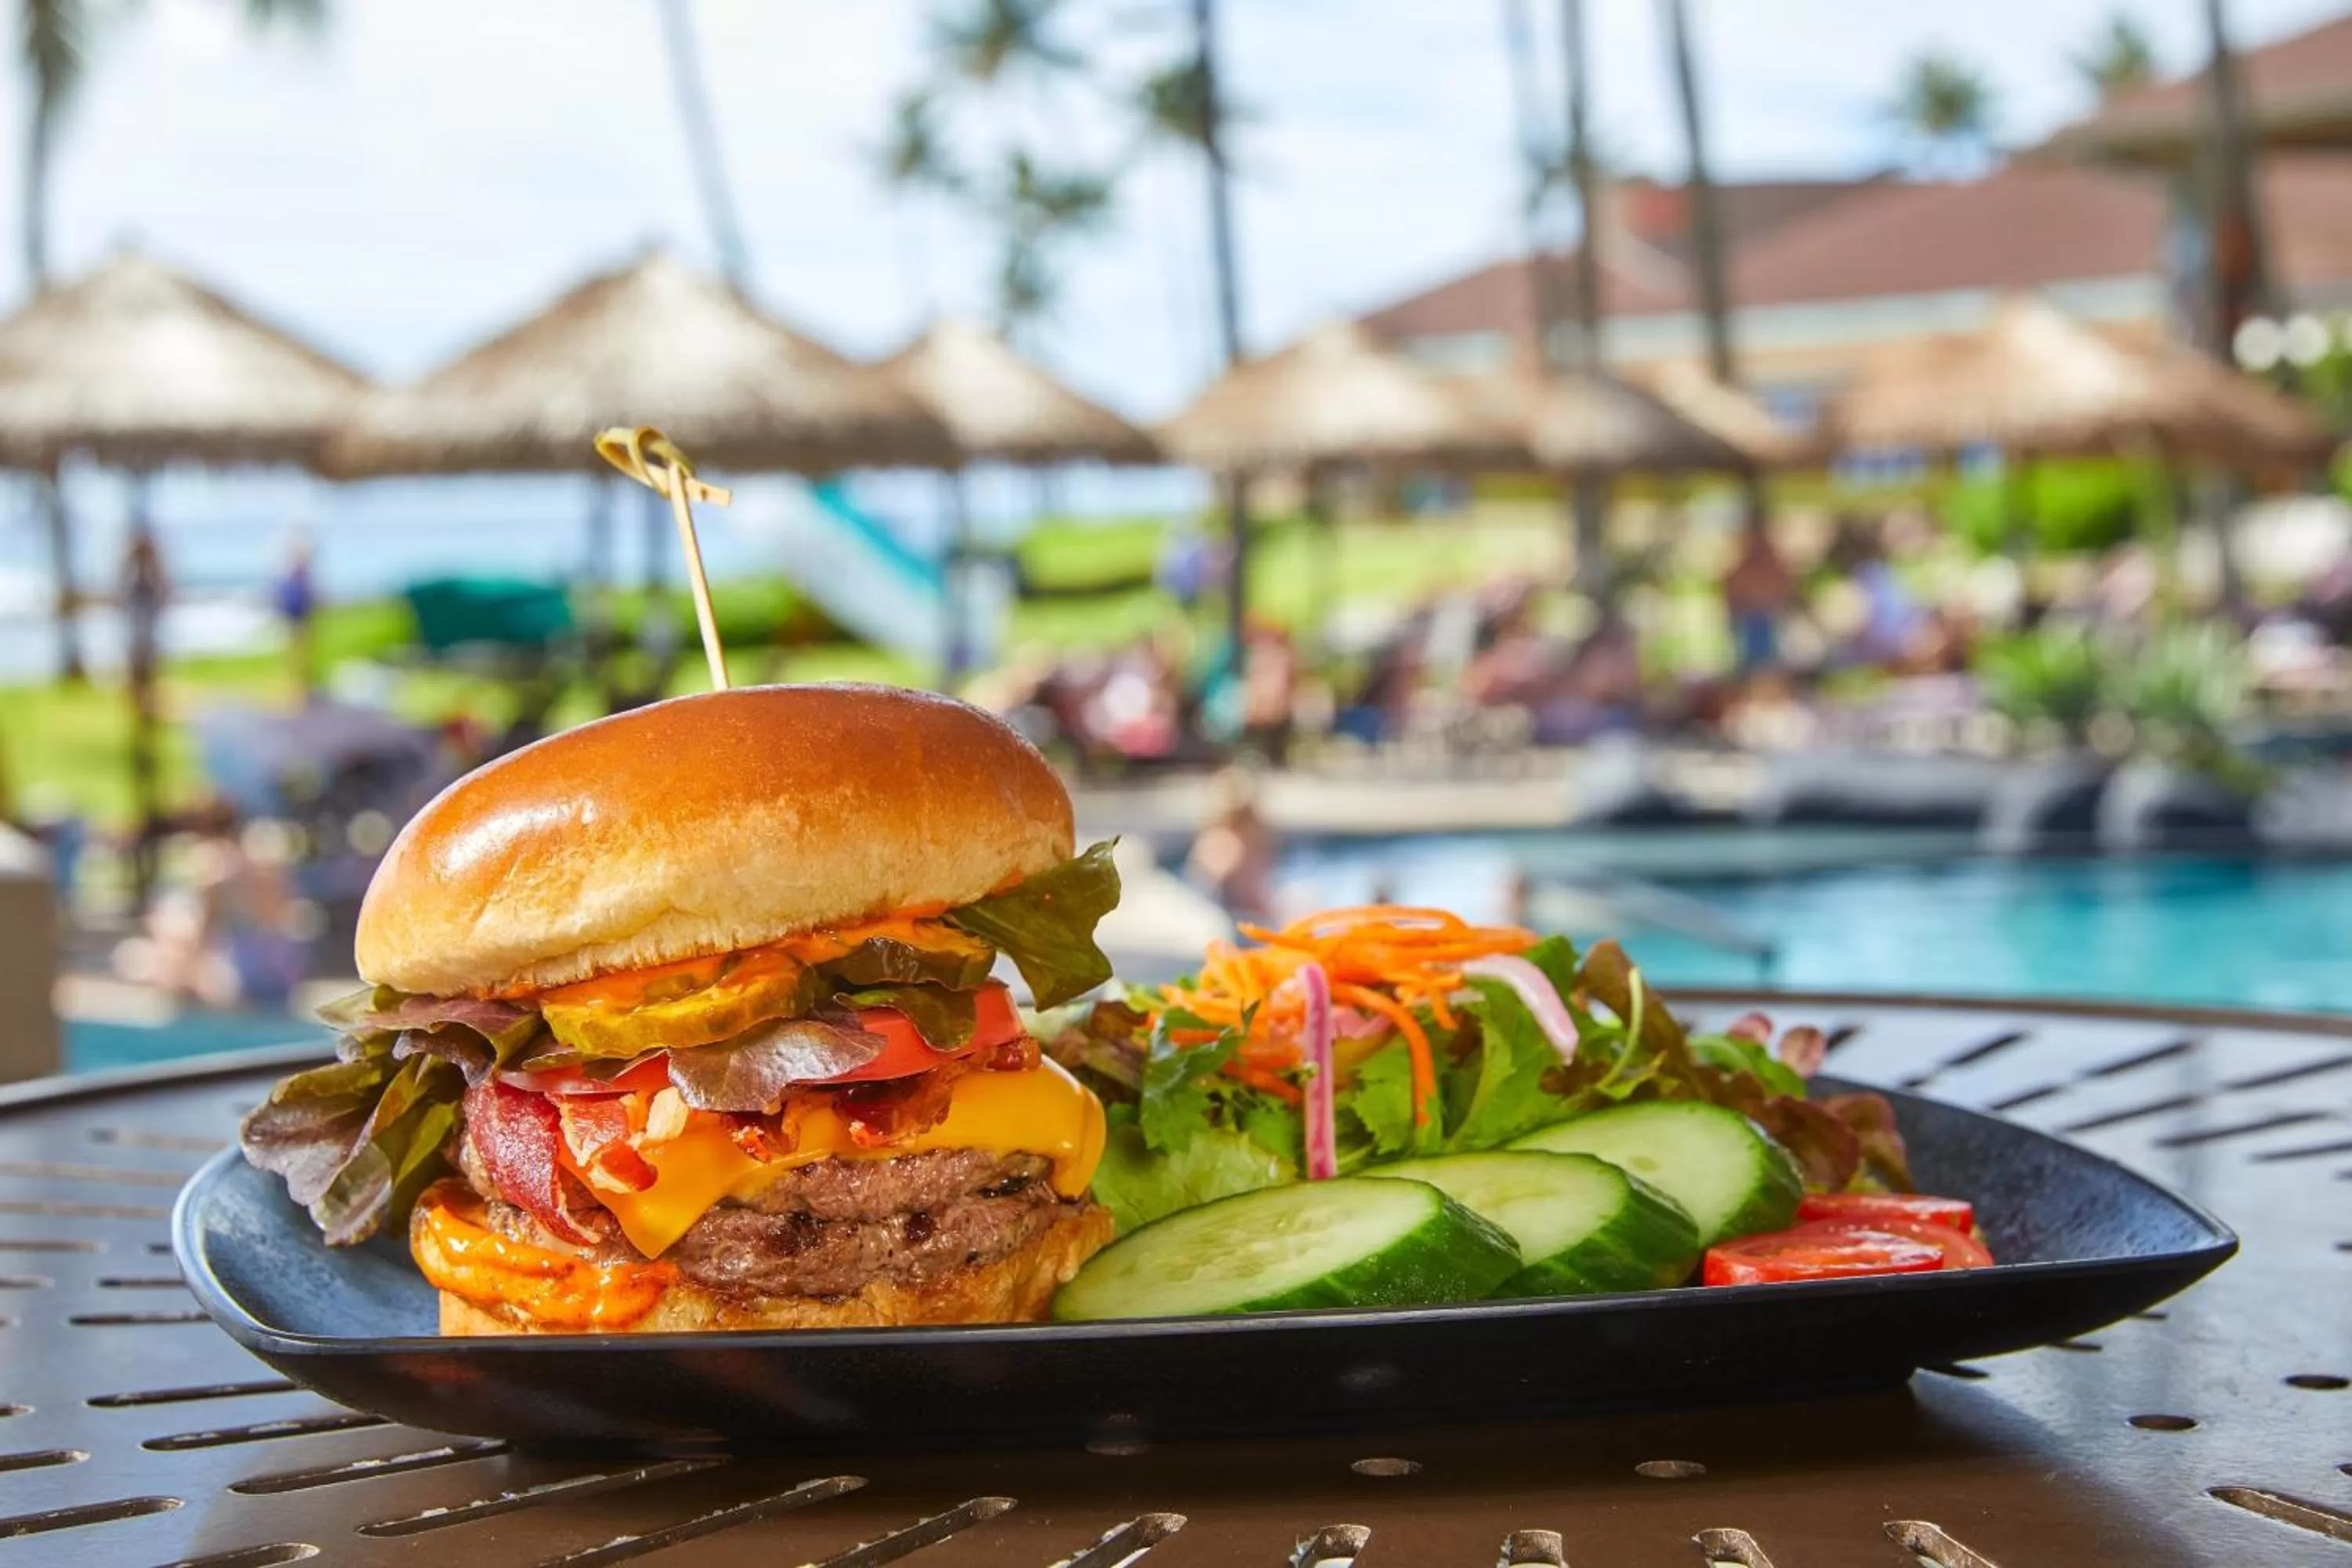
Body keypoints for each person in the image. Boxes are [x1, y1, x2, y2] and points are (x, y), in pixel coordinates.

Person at [121, 522, 169, 909]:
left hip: (145, 676)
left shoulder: (146, 585)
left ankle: (147, 874)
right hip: (140, 676)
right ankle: (142, 874)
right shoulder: (136, 585)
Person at [1722, 514, 1795, 675]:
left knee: (1769, 665)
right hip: (1750, 620)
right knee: (1751, 666)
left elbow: (1783, 586)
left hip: (1768, 618)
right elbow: (1733, 588)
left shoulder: (1771, 561)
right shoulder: (1745, 562)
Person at [275, 528, 319, 701]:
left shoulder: (299, 574)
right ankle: (298, 684)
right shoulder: (295, 574)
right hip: (297, 609)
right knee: (298, 646)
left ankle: (302, 683)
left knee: (302, 646)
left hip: (300, 609)